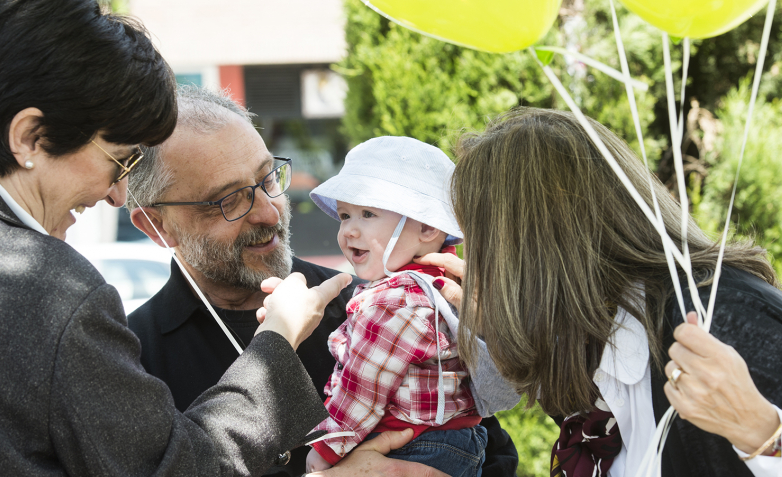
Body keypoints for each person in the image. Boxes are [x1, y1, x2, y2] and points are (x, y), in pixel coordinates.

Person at [0, 0, 348, 475]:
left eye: (268, 178)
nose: (117, 195)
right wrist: (277, 340)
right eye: (119, 162)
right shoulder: (48, 289)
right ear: (29, 138)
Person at [125, 84, 520, 477]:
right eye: (229, 200)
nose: (269, 212)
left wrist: (495, 340)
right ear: (156, 226)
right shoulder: (132, 361)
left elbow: (494, 456)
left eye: (269, 179)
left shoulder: (374, 302)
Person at [417, 107, 782, 477]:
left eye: (480, 242)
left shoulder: (720, 320)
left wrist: (763, 435)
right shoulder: (593, 356)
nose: (477, 263)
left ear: (534, 251)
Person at [304, 137, 490, 476]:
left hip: (415, 446)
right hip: (457, 441)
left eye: (368, 213)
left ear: (427, 226)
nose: (349, 230)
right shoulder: (443, 283)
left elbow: (363, 387)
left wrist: (325, 449)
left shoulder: (395, 300)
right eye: (345, 216)